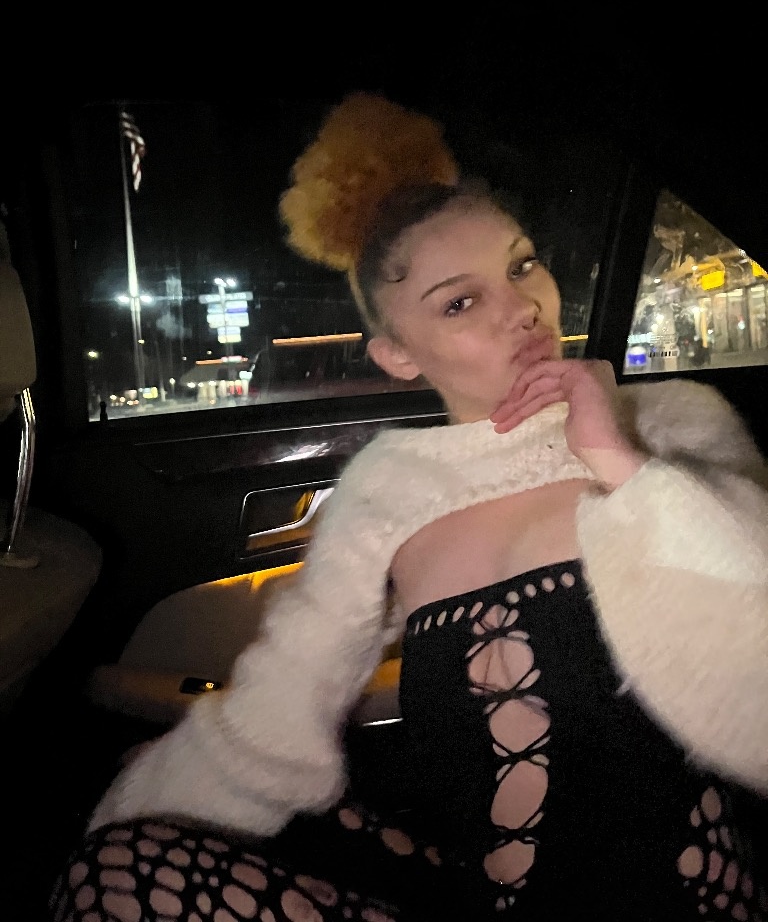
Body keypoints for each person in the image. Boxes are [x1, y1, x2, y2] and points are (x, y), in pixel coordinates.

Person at [49, 93, 768, 921]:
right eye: (460, 302)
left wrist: (619, 462)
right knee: (120, 861)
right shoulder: (389, 489)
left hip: (678, 904)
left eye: (522, 265)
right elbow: (281, 704)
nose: (522, 308)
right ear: (397, 354)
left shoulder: (669, 422)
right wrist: (143, 807)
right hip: (479, 890)